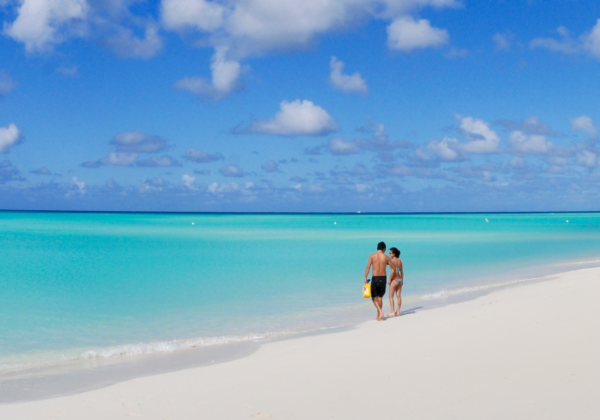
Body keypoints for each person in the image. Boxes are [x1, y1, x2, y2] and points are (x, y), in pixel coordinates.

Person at [364, 241, 393, 321]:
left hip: (375, 278)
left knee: (373, 297)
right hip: (383, 278)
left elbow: (368, 267)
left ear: (378, 248)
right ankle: (379, 315)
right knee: (380, 297)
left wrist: (365, 277)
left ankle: (380, 312)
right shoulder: (386, 257)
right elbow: (393, 267)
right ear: (384, 249)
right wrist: (390, 278)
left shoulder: (372, 256)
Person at [387, 247, 404, 317]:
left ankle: (393, 312)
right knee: (398, 296)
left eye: (390, 253)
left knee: (391, 296)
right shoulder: (400, 261)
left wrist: (389, 279)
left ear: (394, 254)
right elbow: (401, 272)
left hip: (394, 280)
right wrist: (402, 280)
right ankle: (398, 311)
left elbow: (392, 272)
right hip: (400, 279)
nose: (389, 254)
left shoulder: (392, 261)